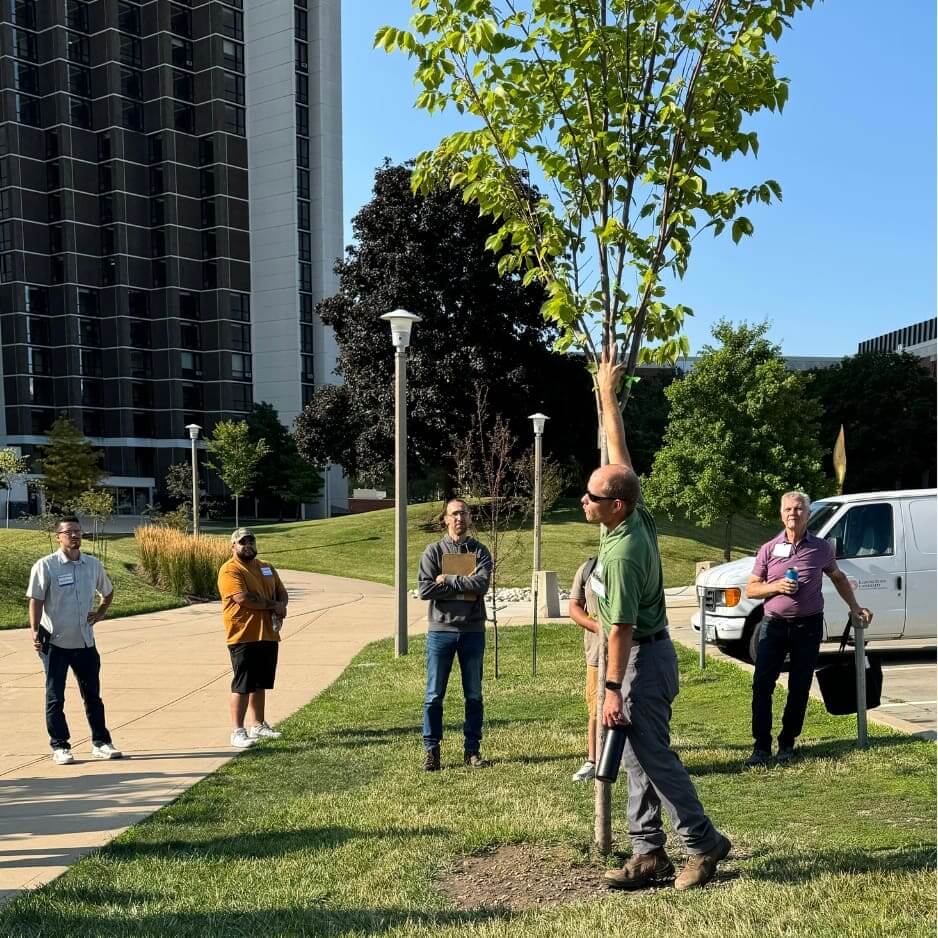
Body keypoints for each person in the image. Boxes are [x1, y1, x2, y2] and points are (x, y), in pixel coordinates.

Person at [589, 350, 731, 892]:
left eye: (592, 496)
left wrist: (609, 690)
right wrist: (607, 393)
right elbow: (617, 452)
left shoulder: (623, 552)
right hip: (643, 656)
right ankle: (648, 852)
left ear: (616, 506)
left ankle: (702, 843)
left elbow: (620, 630)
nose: (584, 500)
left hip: (640, 660)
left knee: (654, 756)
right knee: (634, 758)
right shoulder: (626, 511)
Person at [745, 492, 873, 767]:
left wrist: (855, 606)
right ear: (781, 514)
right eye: (788, 509)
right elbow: (752, 589)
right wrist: (776, 586)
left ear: (808, 514)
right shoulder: (768, 549)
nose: (793, 513)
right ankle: (761, 748)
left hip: (809, 625)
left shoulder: (821, 548)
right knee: (762, 686)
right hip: (774, 625)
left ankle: (787, 743)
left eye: (799, 508)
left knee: (800, 686)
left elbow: (837, 577)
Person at [26, 516, 122, 765]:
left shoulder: (92, 565)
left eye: (78, 531)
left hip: (85, 643)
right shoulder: (46, 566)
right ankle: (60, 746)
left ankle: (101, 742)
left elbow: (108, 591)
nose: (75, 536)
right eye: (69, 532)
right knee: (55, 696)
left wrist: (101, 613)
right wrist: (35, 630)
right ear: (58, 537)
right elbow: (35, 600)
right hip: (55, 644)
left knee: (93, 696)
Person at [418, 498, 492, 771]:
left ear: (470, 518)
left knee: (473, 694)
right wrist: (465, 588)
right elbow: (425, 589)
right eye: (454, 514)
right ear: (445, 519)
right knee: (434, 695)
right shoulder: (433, 551)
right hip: (441, 631)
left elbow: (482, 584)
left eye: (464, 513)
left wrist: (447, 580)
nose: (459, 518)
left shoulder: (480, 551)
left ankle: (472, 750)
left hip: (472, 631)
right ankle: (431, 750)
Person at [217, 527, 289, 748]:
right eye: (242, 542)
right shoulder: (230, 570)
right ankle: (237, 731)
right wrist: (273, 606)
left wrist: (281, 604)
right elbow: (243, 598)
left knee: (260, 683)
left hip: (268, 633)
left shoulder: (266, 567)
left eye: (251, 541)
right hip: (243, 635)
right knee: (243, 684)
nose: (247, 545)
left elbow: (281, 592)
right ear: (233, 546)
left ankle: (258, 725)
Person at [568, 556, 602, 782]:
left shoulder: (630, 559)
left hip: (631, 650)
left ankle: (637, 761)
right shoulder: (588, 567)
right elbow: (574, 606)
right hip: (596, 653)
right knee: (596, 707)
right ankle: (593, 760)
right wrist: (595, 626)